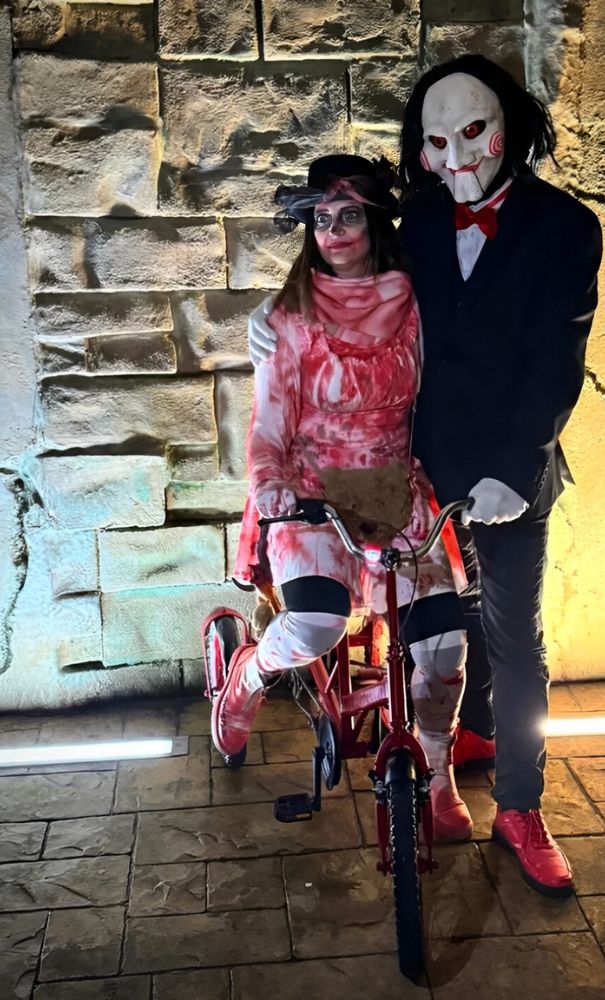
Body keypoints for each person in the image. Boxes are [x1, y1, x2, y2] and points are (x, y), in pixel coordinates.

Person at [248, 56, 603, 897]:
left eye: (474, 131)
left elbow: (557, 363)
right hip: (417, 476)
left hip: (513, 473)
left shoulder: (566, 227)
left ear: (511, 124)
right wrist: (268, 325)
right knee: (446, 632)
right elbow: (346, 287)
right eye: (436, 141)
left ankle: (520, 807)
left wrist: (517, 468)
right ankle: (450, 759)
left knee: (516, 641)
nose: (458, 156)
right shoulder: (417, 222)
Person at [207, 154, 472, 843]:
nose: (334, 230)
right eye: (321, 218)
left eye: (348, 213)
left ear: (375, 219)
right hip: (311, 486)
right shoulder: (287, 317)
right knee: (316, 626)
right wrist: (267, 484)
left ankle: (438, 775)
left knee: (442, 645)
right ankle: (250, 673)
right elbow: (269, 421)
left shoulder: (415, 303)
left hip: (391, 482)